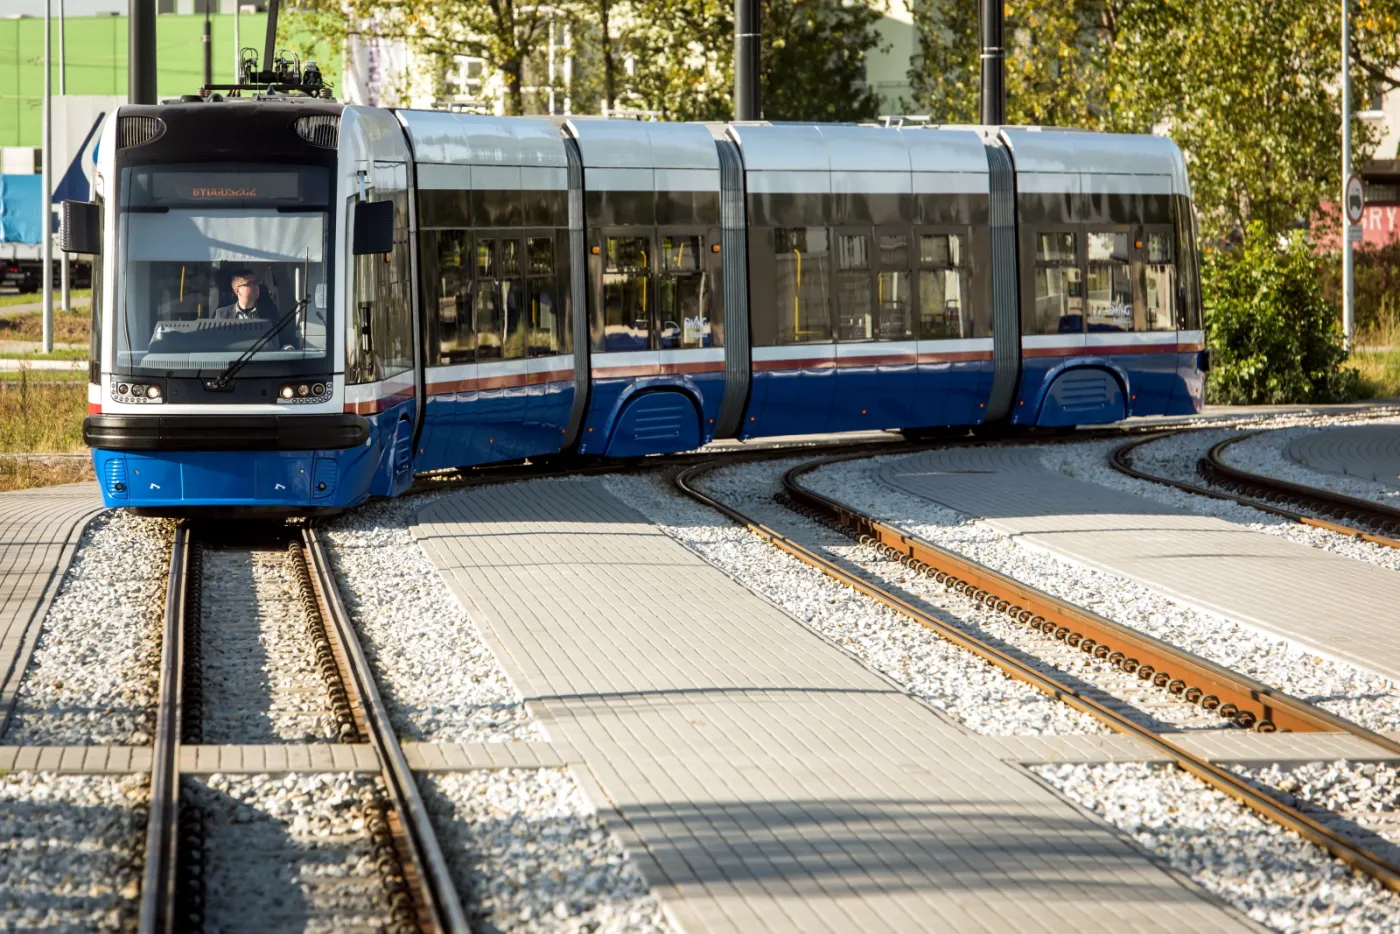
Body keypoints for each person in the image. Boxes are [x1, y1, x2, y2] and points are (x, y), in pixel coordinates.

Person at [214, 269, 279, 320]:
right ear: (237, 291)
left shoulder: (269, 312)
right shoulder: (222, 314)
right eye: (250, 284)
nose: (256, 286)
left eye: (256, 282)